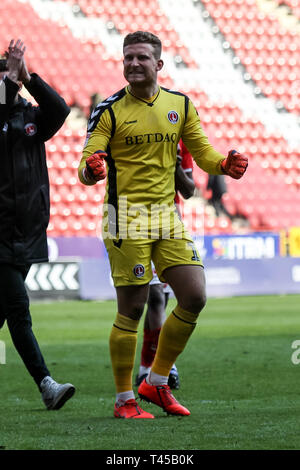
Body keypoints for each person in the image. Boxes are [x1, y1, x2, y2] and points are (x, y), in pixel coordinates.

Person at [78, 31, 248, 419]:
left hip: (166, 216)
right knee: (133, 309)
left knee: (194, 295)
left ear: (158, 64)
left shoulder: (179, 105)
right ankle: (124, 400)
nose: (133, 64)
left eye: (141, 58)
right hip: (126, 218)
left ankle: (155, 384)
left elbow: (202, 152)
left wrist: (224, 164)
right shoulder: (108, 110)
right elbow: (87, 163)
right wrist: (91, 170)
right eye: (128, 58)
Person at [0, 39, 75, 410]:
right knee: (18, 309)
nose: (9, 83)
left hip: (27, 235)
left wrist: (28, 78)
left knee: (3, 313)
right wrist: (11, 80)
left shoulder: (31, 118)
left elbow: (60, 110)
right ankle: (46, 384)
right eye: (5, 79)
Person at [135, 140, 195, 390]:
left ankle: (146, 368)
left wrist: (175, 167)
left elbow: (189, 190)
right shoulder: (139, 126)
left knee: (161, 300)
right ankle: (164, 367)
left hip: (170, 223)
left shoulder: (182, 138)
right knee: (156, 298)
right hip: (136, 219)